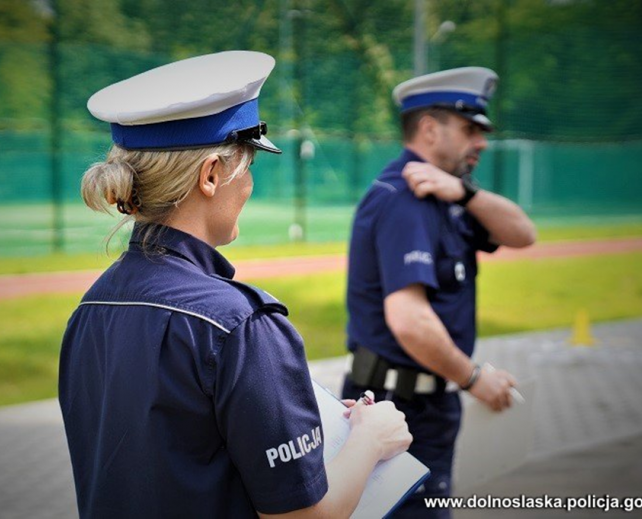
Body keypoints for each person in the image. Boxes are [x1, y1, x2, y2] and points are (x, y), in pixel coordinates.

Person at [58, 51, 412, 519]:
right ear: (211, 175)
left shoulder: (91, 307)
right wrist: (371, 439)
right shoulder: (240, 324)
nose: (248, 186)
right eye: (249, 166)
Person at [341, 67, 537, 518]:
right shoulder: (403, 199)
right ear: (430, 129)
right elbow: (409, 320)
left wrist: (465, 194)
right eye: (470, 130)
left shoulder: (446, 196)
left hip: (424, 403)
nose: (481, 143)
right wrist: (473, 378)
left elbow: (524, 233)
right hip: (397, 407)